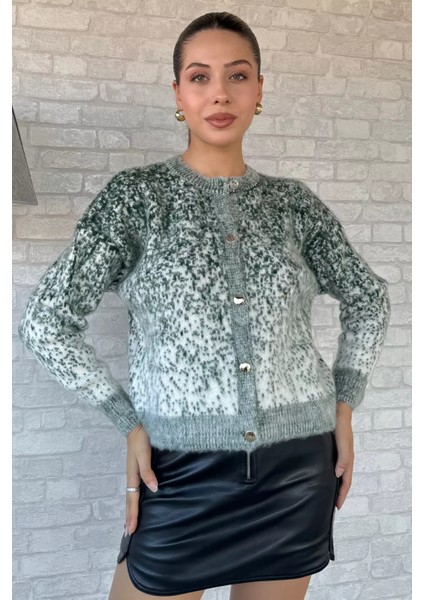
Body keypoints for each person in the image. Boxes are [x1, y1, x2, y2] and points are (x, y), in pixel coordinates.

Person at [18, 11, 391, 600]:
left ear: (259, 89)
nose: (220, 93)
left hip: (296, 471)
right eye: (200, 77)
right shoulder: (136, 199)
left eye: (238, 75)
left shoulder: (294, 206)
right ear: (178, 93)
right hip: (177, 474)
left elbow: (369, 298)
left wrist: (345, 406)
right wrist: (125, 420)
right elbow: (45, 321)